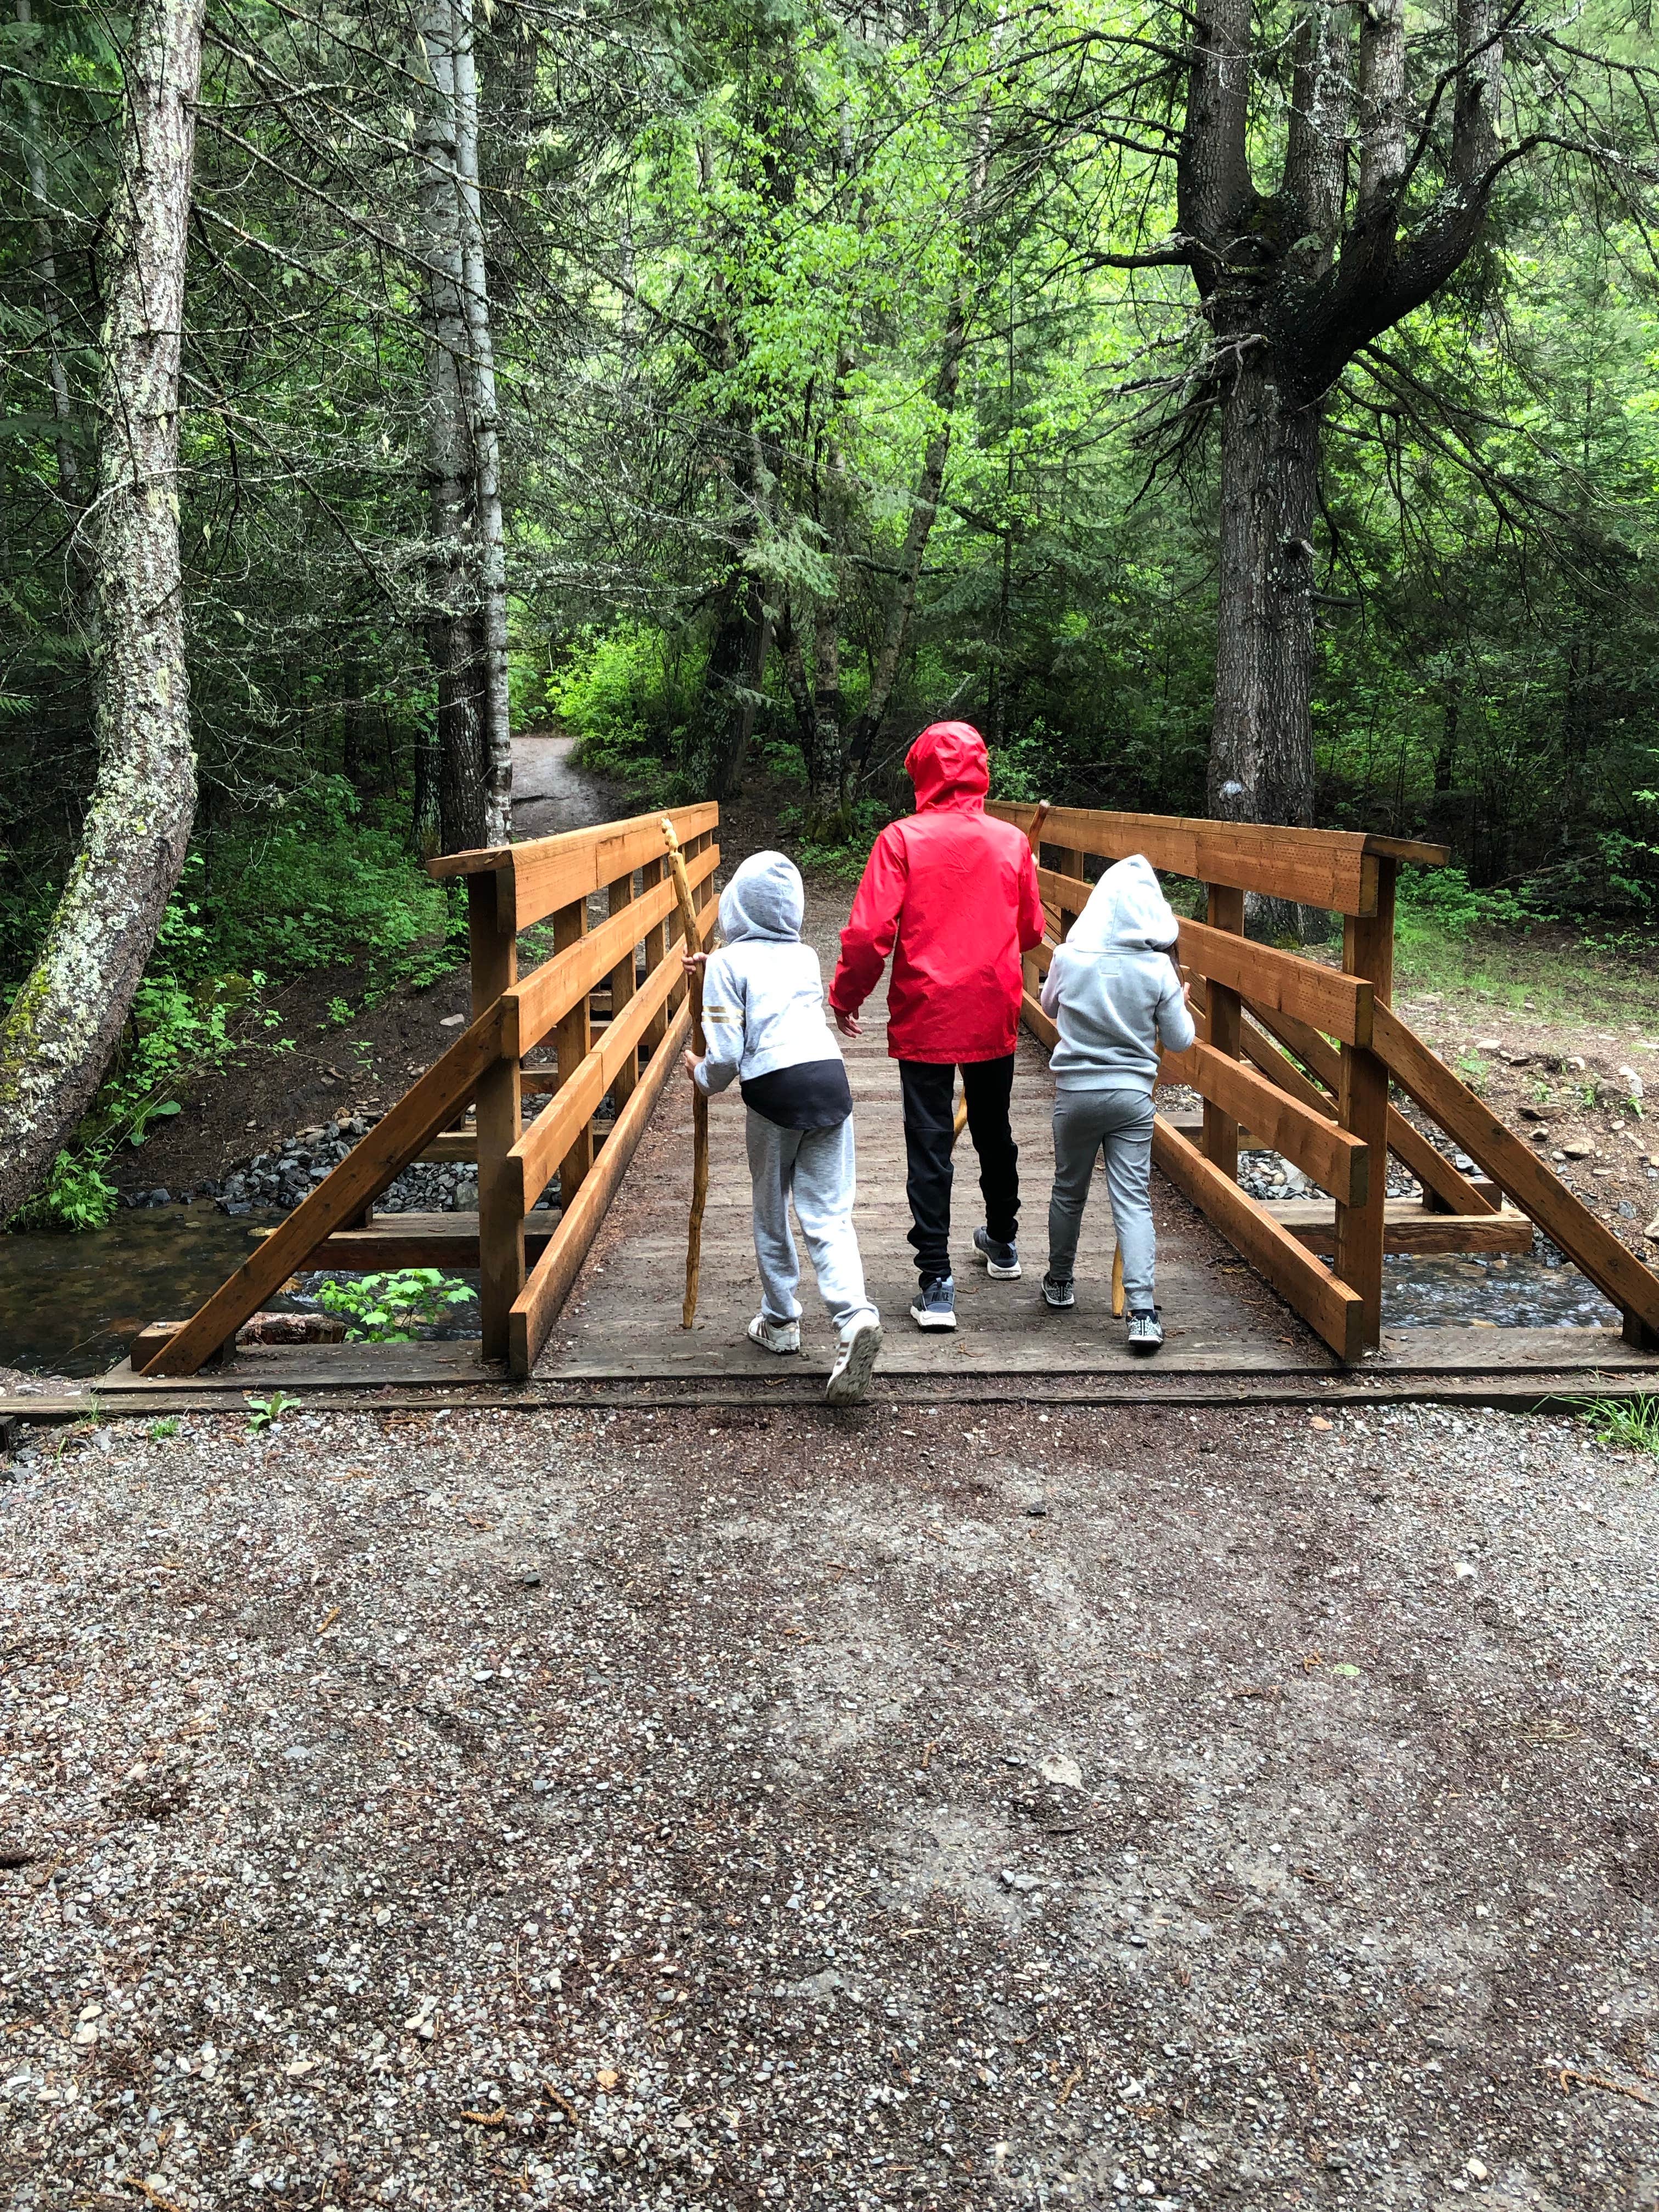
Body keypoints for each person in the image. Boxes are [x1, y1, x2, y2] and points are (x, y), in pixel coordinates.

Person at [829, 720, 1045, 1331]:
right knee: (994, 1126)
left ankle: (937, 1281)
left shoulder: (900, 839)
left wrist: (847, 995)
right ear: (982, 769)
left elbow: (870, 935)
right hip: (991, 1004)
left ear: (920, 772)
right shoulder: (1010, 843)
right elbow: (1030, 932)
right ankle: (1002, 1242)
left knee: (928, 1140)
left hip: (927, 1007)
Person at [683, 850, 883, 1404]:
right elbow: (764, 981)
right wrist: (715, 968)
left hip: (775, 1092)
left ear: (735, 907)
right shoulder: (803, 956)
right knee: (828, 1214)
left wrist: (701, 1076)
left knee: (772, 1206)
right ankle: (854, 1319)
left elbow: (724, 1058)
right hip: (830, 1082)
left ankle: (781, 1323)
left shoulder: (727, 964)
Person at [1038, 853, 1194, 1352]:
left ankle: (1060, 1282)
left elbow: (1048, 1007)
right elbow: (1182, 1039)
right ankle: (1143, 1312)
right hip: (1130, 1099)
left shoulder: (1068, 957)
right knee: (1133, 1200)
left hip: (1075, 1095)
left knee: (1069, 1190)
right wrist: (1180, 999)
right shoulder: (1157, 969)